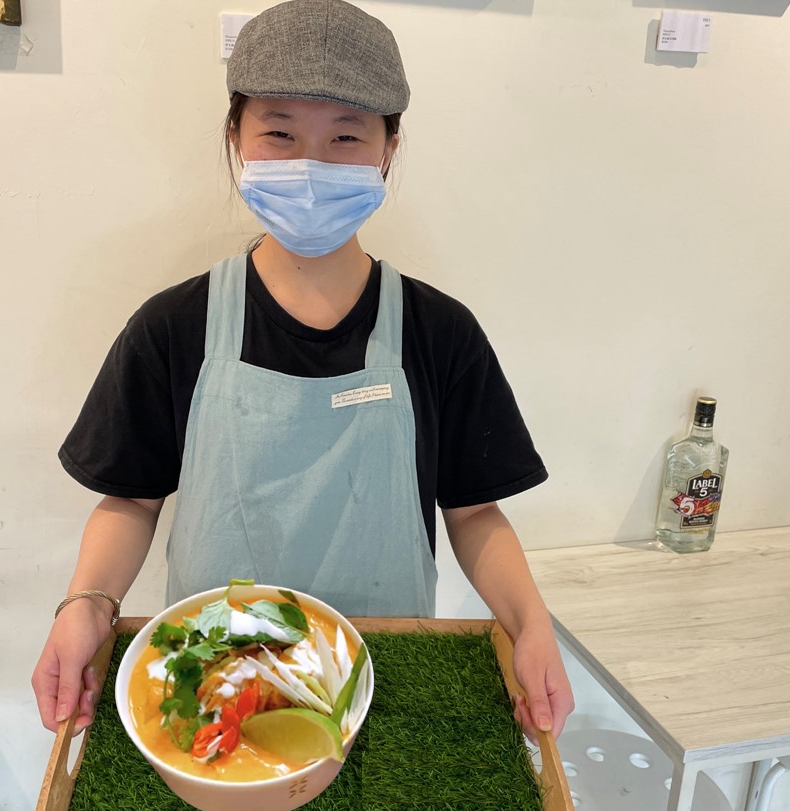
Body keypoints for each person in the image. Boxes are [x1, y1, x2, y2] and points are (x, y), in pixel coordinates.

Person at [32, 0, 573, 744]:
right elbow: (130, 497)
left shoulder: (440, 332)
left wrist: (532, 623)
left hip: (385, 675)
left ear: (389, 149)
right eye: (280, 133)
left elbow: (475, 513)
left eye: (345, 136)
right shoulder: (173, 326)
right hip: (213, 677)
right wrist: (86, 604)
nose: (310, 166)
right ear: (236, 138)